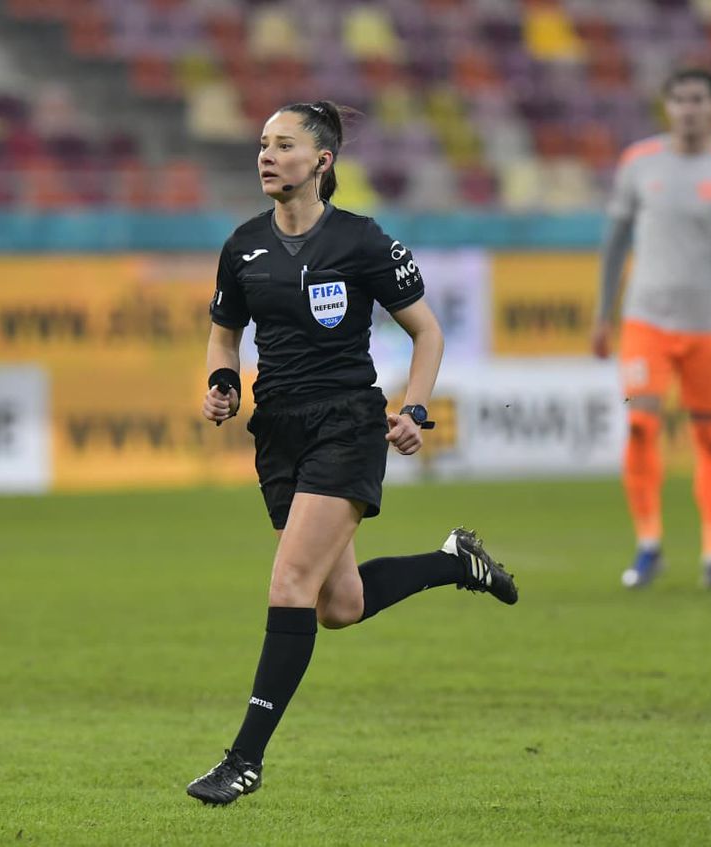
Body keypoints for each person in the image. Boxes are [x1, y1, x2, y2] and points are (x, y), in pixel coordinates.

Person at [186, 100, 519, 806]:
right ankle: (455, 560)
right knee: (339, 603)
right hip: (276, 431)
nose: (266, 156)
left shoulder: (365, 243)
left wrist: (416, 411)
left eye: (283, 145)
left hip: (347, 425)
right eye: (262, 144)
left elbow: (426, 333)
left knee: (289, 586)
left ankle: (243, 758)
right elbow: (224, 332)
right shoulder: (242, 245)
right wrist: (222, 381)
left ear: (322, 162)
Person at [592, 68, 711, 590]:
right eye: (679, 100)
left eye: (698, 100)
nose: (689, 109)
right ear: (667, 106)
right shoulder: (639, 163)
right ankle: (649, 545)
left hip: (709, 324)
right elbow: (615, 243)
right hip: (646, 319)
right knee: (642, 426)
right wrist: (604, 313)